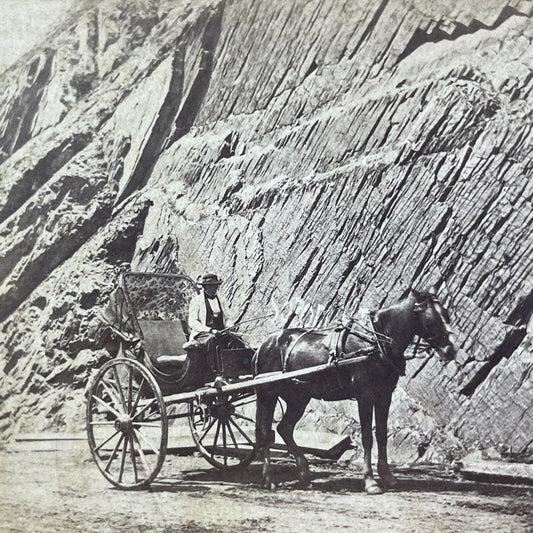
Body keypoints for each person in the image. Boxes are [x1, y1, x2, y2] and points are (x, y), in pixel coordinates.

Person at [187, 273, 242, 370]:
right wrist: (210, 330)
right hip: (202, 333)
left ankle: (235, 369)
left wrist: (228, 326)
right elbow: (193, 322)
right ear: (205, 287)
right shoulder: (196, 301)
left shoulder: (222, 300)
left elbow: (228, 316)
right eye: (211, 286)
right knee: (211, 340)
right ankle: (217, 372)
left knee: (236, 338)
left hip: (221, 331)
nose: (214, 289)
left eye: (215, 286)